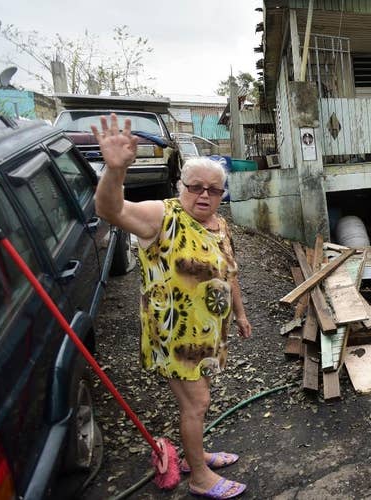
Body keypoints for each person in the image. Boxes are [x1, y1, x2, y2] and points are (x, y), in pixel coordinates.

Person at [93, 114, 251, 499]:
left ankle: (197, 455)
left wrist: (240, 313)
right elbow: (110, 210)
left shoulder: (219, 225)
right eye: (195, 187)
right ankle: (199, 478)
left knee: (198, 400)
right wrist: (115, 171)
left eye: (213, 190)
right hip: (176, 336)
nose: (204, 195)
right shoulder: (162, 216)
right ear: (181, 185)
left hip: (208, 334)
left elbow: (229, 271)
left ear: (222, 195)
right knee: (197, 403)